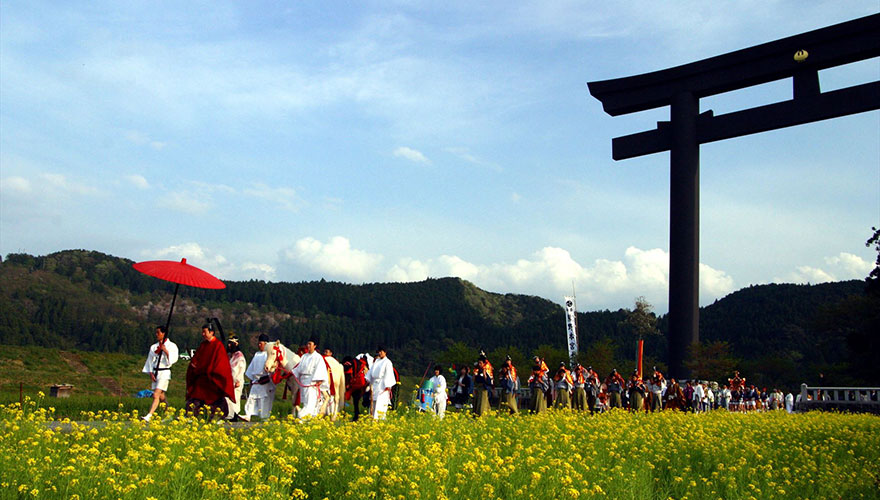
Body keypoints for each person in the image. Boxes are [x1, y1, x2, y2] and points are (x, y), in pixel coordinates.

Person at [185, 323, 236, 420]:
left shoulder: (218, 346)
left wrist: (211, 371)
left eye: (205, 332)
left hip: (212, 379)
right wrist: (194, 366)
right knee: (195, 397)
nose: (203, 334)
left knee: (215, 400)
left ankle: (218, 417)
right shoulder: (203, 345)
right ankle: (190, 416)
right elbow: (197, 359)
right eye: (202, 332)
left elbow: (221, 364)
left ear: (212, 332)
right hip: (201, 379)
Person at [141, 325, 179, 422]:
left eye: (158, 332)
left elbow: (173, 359)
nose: (156, 334)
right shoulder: (154, 346)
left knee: (156, 394)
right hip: (155, 371)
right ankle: (169, 413)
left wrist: (166, 351)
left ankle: (149, 415)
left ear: (164, 333)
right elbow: (150, 360)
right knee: (161, 396)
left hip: (164, 372)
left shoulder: (172, 346)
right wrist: (150, 372)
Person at [291, 338, 329, 419]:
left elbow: (321, 369)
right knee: (305, 402)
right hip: (303, 382)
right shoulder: (304, 356)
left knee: (310, 402)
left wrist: (319, 380)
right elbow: (299, 368)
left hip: (312, 382)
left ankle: (302, 418)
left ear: (314, 346)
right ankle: (311, 418)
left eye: (310, 344)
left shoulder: (318, 357)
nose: (308, 346)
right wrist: (292, 372)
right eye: (307, 344)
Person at [244, 334, 275, 421]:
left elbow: (272, 369)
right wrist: (251, 380)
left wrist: (268, 377)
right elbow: (251, 368)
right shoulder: (257, 354)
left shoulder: (269, 355)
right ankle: (248, 414)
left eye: (261, 343)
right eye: (258, 343)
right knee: (251, 398)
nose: (259, 345)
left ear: (266, 344)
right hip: (255, 380)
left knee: (263, 400)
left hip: (264, 380)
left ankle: (264, 417)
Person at [365, 345, 396, 420]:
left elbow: (389, 374)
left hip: (382, 385)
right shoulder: (377, 361)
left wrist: (388, 385)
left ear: (385, 352)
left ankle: (379, 420)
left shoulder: (387, 362)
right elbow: (371, 371)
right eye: (379, 351)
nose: (380, 353)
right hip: (374, 385)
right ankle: (372, 419)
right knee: (373, 403)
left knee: (380, 404)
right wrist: (368, 379)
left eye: (381, 351)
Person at [225, 335, 247, 420]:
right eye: (228, 343)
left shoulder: (239, 356)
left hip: (236, 382)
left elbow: (240, 369)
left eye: (231, 343)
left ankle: (234, 416)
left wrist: (237, 380)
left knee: (235, 399)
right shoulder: (230, 355)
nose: (229, 345)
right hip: (229, 382)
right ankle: (229, 415)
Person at [472, 352, 494, 416]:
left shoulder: (487, 370)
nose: (479, 364)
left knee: (482, 402)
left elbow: (488, 381)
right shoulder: (477, 370)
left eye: (481, 363)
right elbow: (474, 380)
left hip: (484, 388)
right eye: (479, 363)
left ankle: (482, 414)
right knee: (477, 401)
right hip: (478, 387)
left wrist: (484, 374)